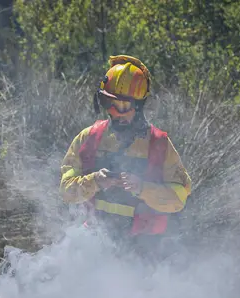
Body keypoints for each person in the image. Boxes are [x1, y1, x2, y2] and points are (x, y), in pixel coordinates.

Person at [59, 55, 192, 262]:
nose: (114, 113)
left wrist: (142, 188)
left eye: (121, 106)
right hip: (95, 249)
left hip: (144, 254)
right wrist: (94, 181)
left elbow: (179, 198)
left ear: (138, 106)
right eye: (108, 103)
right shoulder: (89, 138)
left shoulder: (159, 145)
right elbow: (66, 191)